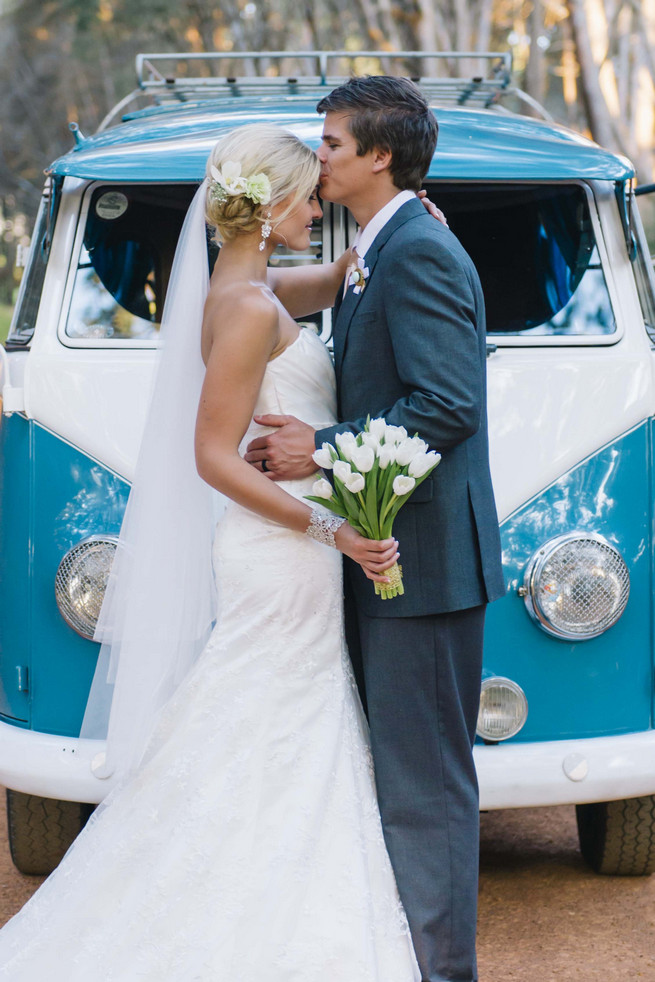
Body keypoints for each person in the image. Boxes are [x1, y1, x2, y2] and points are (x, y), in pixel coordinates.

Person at [0, 125, 422, 980]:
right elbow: (212, 456)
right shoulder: (244, 307)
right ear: (268, 208)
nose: (319, 208)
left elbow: (320, 284)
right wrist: (329, 530)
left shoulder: (249, 287)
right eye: (308, 196)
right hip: (281, 546)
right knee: (271, 711)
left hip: (289, 545)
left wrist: (380, 245)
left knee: (274, 719)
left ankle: (267, 880)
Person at [244, 77, 506, 982]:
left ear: (378, 156)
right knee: (393, 776)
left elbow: (446, 406)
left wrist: (318, 447)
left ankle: (443, 973)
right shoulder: (376, 246)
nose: (318, 156)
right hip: (380, 551)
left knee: (424, 786)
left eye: (329, 144)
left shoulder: (418, 250)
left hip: (424, 560)